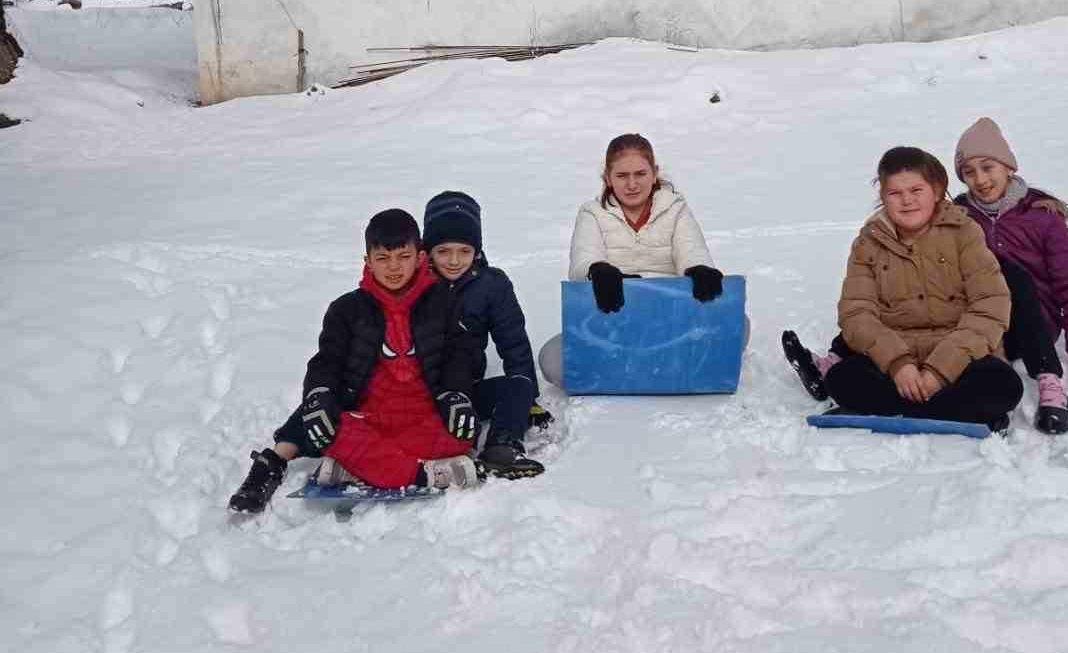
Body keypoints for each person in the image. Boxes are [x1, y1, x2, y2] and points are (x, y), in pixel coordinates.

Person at [227, 208, 484, 514]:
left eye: (403, 257)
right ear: (368, 262)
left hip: (422, 415)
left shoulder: (442, 302)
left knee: (463, 434)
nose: (393, 267)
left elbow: (457, 355)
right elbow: (327, 361)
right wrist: (319, 394)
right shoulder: (346, 309)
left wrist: (455, 394)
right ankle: (423, 474)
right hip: (370, 418)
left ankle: (357, 467)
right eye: (382, 258)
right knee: (329, 429)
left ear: (420, 258)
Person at [786, 147, 1023, 433]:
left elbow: (990, 305)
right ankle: (953, 411)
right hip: (893, 366)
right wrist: (898, 365)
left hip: (958, 362)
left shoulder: (965, 232)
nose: (907, 200)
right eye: (895, 193)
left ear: (936, 191)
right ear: (883, 197)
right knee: (842, 378)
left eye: (916, 190)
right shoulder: (868, 243)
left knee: (1003, 385)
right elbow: (856, 313)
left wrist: (939, 371)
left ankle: (896, 408)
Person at [538, 132, 727, 386]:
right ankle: (655, 365)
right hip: (614, 320)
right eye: (622, 175)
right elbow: (582, 259)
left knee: (737, 324)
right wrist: (597, 269)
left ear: (654, 172)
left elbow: (692, 249)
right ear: (607, 177)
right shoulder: (592, 213)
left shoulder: (676, 209)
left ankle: (648, 364)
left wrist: (699, 268)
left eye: (640, 174)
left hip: (670, 319)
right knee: (551, 360)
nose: (632, 184)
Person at [952, 118, 1068, 414]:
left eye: (988, 167)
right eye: (969, 172)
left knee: (1008, 274)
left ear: (1008, 167)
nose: (980, 179)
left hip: (1033, 327)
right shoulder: (956, 217)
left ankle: (1046, 382)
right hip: (978, 322)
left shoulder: (1043, 217)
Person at [420, 189, 547, 479]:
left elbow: (513, 342)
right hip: (421, 392)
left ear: (477, 250)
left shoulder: (492, 285)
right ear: (428, 251)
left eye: (464, 251)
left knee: (520, 385)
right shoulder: (415, 284)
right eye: (443, 251)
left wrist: (530, 399)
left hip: (468, 387)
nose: (454, 261)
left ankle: (502, 445)